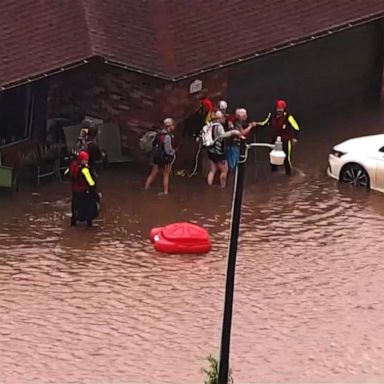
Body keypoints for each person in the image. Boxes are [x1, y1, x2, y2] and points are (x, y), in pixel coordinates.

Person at [257, 99, 300, 175]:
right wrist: (256, 125)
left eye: (281, 109)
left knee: (286, 157)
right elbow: (264, 123)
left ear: (284, 109)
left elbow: (296, 127)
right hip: (275, 138)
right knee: (272, 155)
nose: (279, 110)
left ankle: (288, 173)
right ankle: (274, 172)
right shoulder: (271, 115)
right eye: (278, 108)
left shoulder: (288, 117)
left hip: (285, 139)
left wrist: (294, 138)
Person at [206, 110, 244, 188]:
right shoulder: (219, 126)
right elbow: (223, 135)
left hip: (210, 151)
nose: (224, 119)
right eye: (223, 117)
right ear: (220, 118)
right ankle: (223, 187)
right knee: (224, 170)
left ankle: (209, 187)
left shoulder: (211, 125)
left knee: (212, 170)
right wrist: (233, 132)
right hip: (218, 152)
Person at [65, 151, 100, 227]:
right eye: (85, 160)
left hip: (75, 191)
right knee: (88, 210)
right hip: (84, 192)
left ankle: (73, 224)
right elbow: (91, 183)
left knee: (75, 208)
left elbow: (66, 173)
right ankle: (89, 225)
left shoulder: (72, 166)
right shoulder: (85, 170)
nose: (86, 161)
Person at [144, 118, 176, 194]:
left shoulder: (158, 134)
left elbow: (154, 145)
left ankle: (145, 188)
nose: (174, 127)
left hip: (156, 157)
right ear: (169, 126)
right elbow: (167, 150)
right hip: (164, 158)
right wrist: (173, 152)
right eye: (173, 125)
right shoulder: (167, 136)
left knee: (152, 174)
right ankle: (165, 192)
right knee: (166, 175)